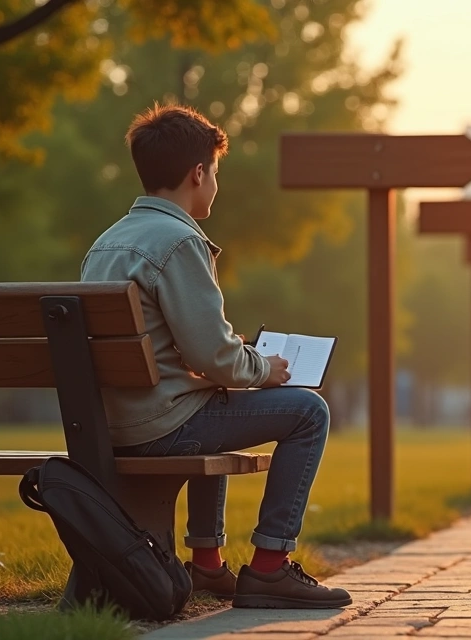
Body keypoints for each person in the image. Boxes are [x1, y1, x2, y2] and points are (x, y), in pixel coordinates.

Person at [80, 103, 350, 609]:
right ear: (197, 173)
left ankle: (207, 564)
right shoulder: (180, 240)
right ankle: (270, 569)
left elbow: (194, 356)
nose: (216, 186)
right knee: (309, 411)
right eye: (216, 174)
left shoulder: (106, 242)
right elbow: (212, 357)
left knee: (215, 396)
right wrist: (262, 368)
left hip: (111, 423)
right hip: (160, 426)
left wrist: (233, 366)